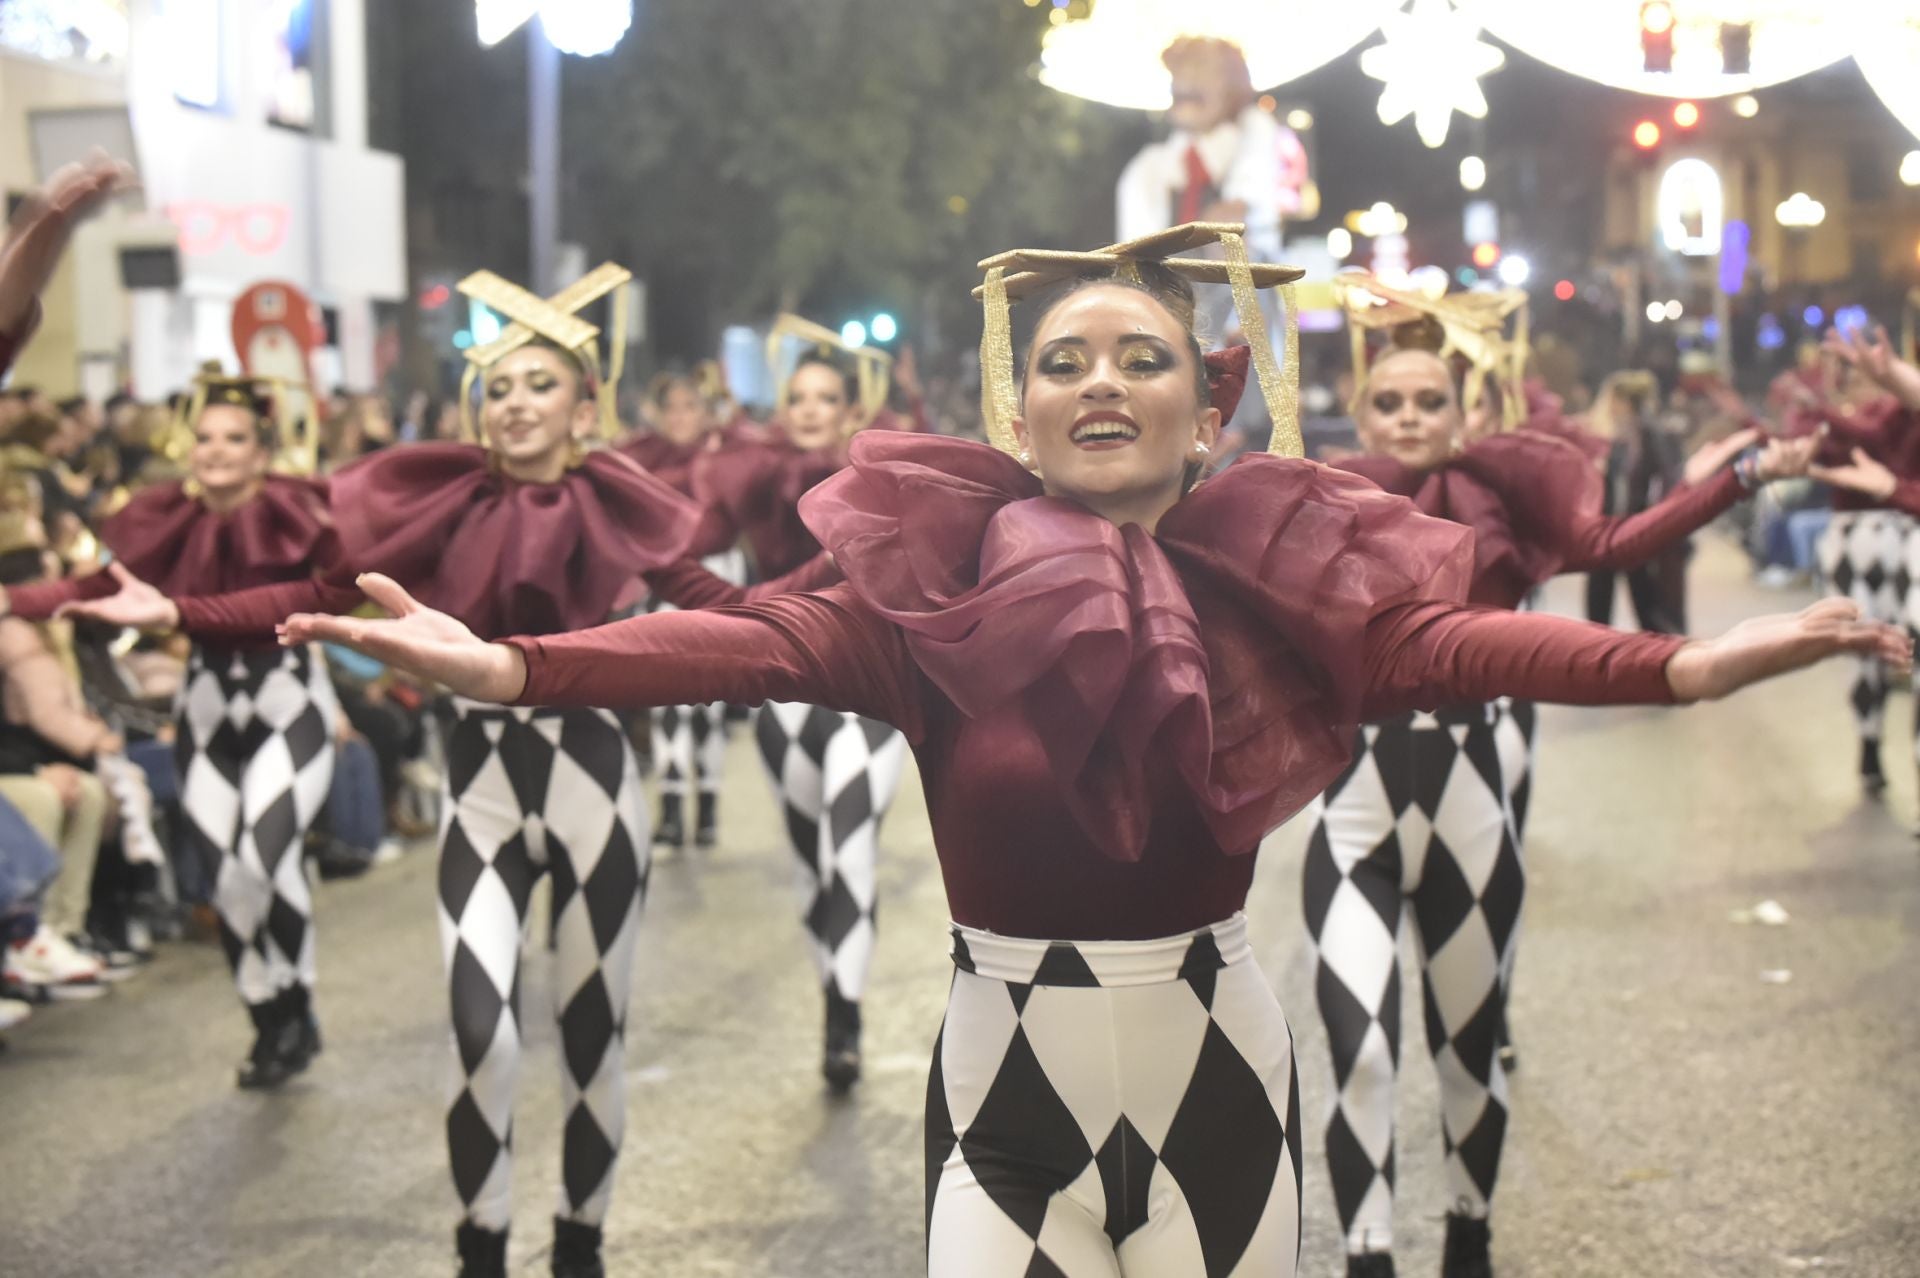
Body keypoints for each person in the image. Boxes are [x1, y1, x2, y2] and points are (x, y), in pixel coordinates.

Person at [272, 226, 1900, 1278]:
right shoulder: (926, 594)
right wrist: (501, 662)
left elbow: (1463, 643)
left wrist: (1691, 661)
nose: (1101, 379)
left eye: (1144, 357)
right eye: (1064, 359)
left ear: (1208, 406)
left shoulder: (1284, 580)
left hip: (1218, 1070)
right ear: (1017, 407)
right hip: (1000, 1091)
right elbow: (734, 638)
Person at [62, 265, 794, 1278]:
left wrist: (867, 592)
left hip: (592, 787)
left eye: (541, 384)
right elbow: (309, 590)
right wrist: (176, 613)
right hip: (480, 794)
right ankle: (479, 1248)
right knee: (480, 1034)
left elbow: (725, 602)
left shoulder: (615, 504)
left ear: (587, 404)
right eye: (498, 388)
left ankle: (580, 1243)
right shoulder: (446, 507)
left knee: (592, 1045)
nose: (516, 404)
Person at [5, 371, 341, 1085]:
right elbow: (98, 590)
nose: (215, 451)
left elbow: (313, 596)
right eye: (205, 437)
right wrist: (14, 598)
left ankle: (297, 995)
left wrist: (179, 616)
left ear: (262, 450)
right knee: (225, 878)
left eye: (234, 439)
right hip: (205, 707)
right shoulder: (167, 520)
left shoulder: (299, 514)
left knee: (264, 858)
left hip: (290, 702)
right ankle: (268, 1015)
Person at [693, 325, 916, 1092]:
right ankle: (832, 985)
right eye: (799, 398)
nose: (812, 410)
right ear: (780, 407)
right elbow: (689, 550)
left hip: (869, 691)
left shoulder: (882, 474)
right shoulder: (748, 477)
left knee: (849, 850)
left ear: (853, 405)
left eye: (828, 398)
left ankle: (843, 1016)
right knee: (811, 866)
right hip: (781, 687)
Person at [620, 371, 744, 849]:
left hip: (717, 578)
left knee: (707, 704)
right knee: (666, 699)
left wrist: (728, 414)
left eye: (689, 407)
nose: (680, 418)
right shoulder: (643, 453)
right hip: (663, 579)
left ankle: (707, 807)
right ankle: (671, 807)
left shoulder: (723, 451)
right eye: (670, 408)